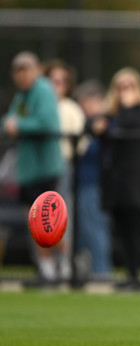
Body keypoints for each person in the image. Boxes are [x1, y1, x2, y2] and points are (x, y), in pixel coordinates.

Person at [91, 67, 140, 290]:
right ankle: (132, 275)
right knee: (123, 230)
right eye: (121, 87)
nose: (125, 92)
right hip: (115, 182)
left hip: (137, 181)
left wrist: (130, 105)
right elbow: (91, 126)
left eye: (129, 86)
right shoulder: (110, 115)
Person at [1, 51, 67, 283]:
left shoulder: (43, 90)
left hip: (46, 169)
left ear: (35, 70)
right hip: (28, 170)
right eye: (18, 71)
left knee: (49, 222)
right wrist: (11, 124)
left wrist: (18, 125)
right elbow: (9, 120)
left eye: (26, 70)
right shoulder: (22, 96)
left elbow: (47, 122)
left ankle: (67, 263)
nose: (22, 75)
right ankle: (47, 269)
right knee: (36, 222)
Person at [44, 59, 86, 281]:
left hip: (61, 166)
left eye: (61, 81)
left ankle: (67, 263)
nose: (57, 85)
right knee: (38, 217)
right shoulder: (38, 106)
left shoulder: (70, 109)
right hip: (39, 169)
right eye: (52, 81)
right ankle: (46, 267)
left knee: (60, 216)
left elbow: (81, 142)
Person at [73, 79, 113, 281]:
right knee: (82, 232)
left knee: (95, 228)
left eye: (88, 102)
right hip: (82, 184)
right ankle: (88, 272)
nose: (84, 107)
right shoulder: (85, 126)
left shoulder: (106, 123)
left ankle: (102, 273)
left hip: (95, 184)